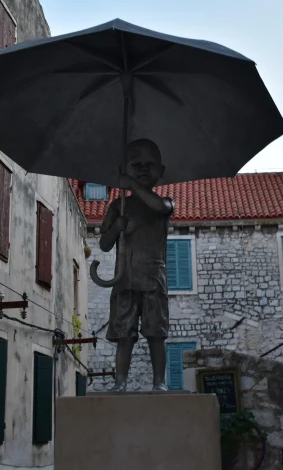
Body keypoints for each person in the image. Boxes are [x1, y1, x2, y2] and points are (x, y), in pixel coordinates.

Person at [99, 138, 175, 391]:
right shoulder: (118, 206)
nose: (143, 169)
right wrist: (116, 229)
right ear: (126, 168)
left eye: (149, 165)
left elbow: (158, 206)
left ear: (160, 171)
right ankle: (120, 382)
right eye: (136, 164)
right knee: (124, 335)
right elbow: (104, 244)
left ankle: (159, 382)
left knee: (156, 334)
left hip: (153, 279)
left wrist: (130, 183)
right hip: (125, 279)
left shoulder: (164, 203)